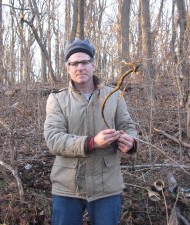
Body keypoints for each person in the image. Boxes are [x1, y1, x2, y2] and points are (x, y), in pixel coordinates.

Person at [44, 38, 137, 225]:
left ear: (93, 65)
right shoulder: (58, 99)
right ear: (68, 68)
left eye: (84, 62)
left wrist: (131, 142)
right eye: (74, 63)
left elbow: (128, 126)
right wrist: (92, 142)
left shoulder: (114, 95)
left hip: (107, 186)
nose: (80, 67)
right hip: (68, 186)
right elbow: (53, 139)